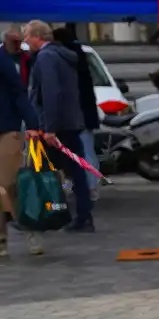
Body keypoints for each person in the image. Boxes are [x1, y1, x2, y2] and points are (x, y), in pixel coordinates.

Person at [24, 20, 94, 233]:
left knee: (45, 171)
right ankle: (77, 214)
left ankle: (51, 214)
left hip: (56, 127)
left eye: (27, 36)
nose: (25, 40)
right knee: (71, 172)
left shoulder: (46, 58)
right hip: (69, 123)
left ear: (37, 36)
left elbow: (51, 94)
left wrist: (49, 128)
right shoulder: (62, 55)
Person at [0, 38, 41, 258]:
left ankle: (29, 228)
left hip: (6, 128)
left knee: (10, 184)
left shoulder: (2, 60)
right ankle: (1, 240)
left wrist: (33, 124)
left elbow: (18, 92)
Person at [52, 26, 101, 203]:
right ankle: (90, 188)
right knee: (87, 154)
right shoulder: (79, 58)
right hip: (84, 116)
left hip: (70, 118)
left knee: (67, 160)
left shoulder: (61, 61)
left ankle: (74, 190)